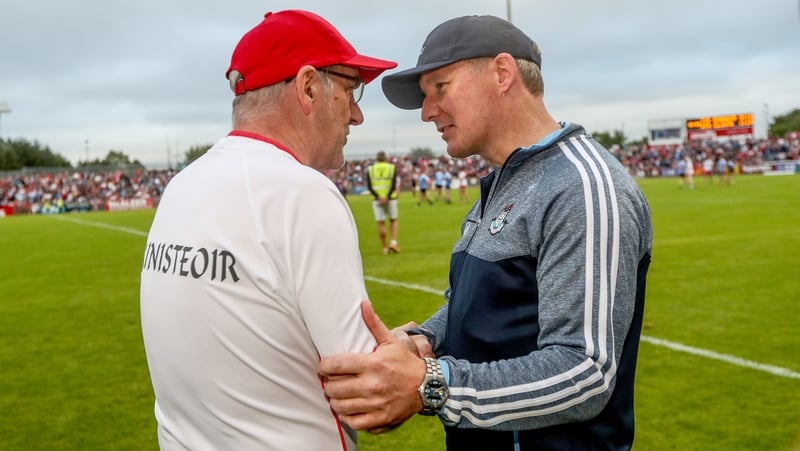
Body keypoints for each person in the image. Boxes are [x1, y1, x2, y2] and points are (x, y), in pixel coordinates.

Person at [319, 14, 653, 451]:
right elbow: (481, 307)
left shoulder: (581, 185)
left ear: (502, 74)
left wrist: (430, 384)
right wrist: (424, 340)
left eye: (440, 88)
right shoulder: (502, 182)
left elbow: (584, 373)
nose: (426, 111)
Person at [139, 9, 396, 451]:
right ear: (310, 86)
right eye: (352, 91)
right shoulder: (302, 193)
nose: (356, 116)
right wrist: (420, 355)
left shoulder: (181, 185)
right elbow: (370, 396)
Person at [366, 150, 400, 254]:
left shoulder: (370, 169)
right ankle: (393, 242)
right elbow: (393, 184)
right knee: (393, 220)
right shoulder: (391, 167)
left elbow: (369, 186)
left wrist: (378, 197)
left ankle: (385, 247)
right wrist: (387, 197)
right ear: (385, 158)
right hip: (390, 198)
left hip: (377, 200)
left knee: (381, 223)